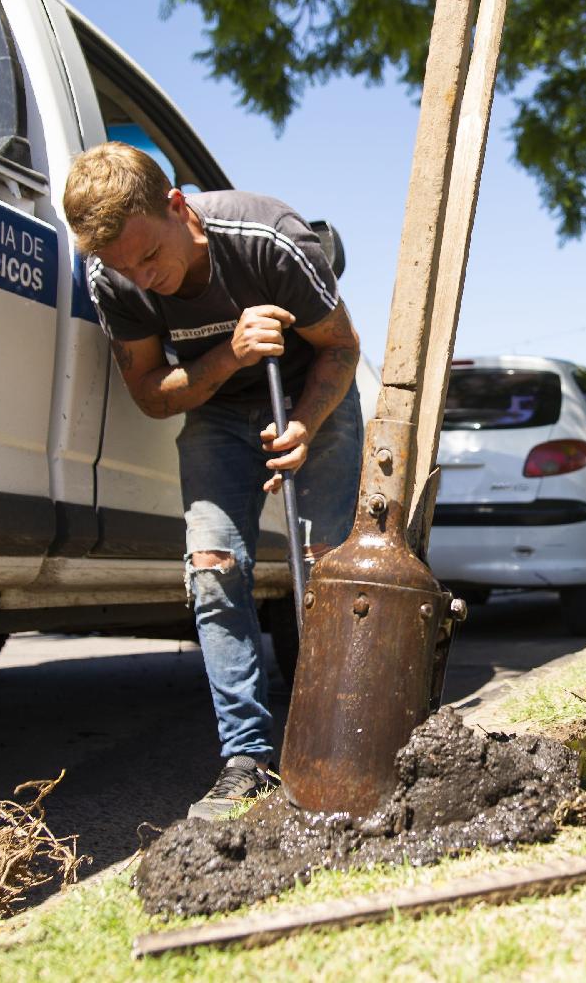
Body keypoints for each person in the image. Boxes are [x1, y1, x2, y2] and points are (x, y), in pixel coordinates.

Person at [63, 142, 363, 815]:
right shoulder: (115, 278)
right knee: (212, 565)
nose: (145, 278)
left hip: (313, 391)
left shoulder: (267, 239)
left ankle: (346, 740)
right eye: (122, 267)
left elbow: (340, 348)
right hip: (218, 407)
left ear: (176, 207)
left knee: (327, 567)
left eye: (149, 256)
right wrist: (229, 353)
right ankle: (246, 759)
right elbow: (149, 392)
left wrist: (306, 426)